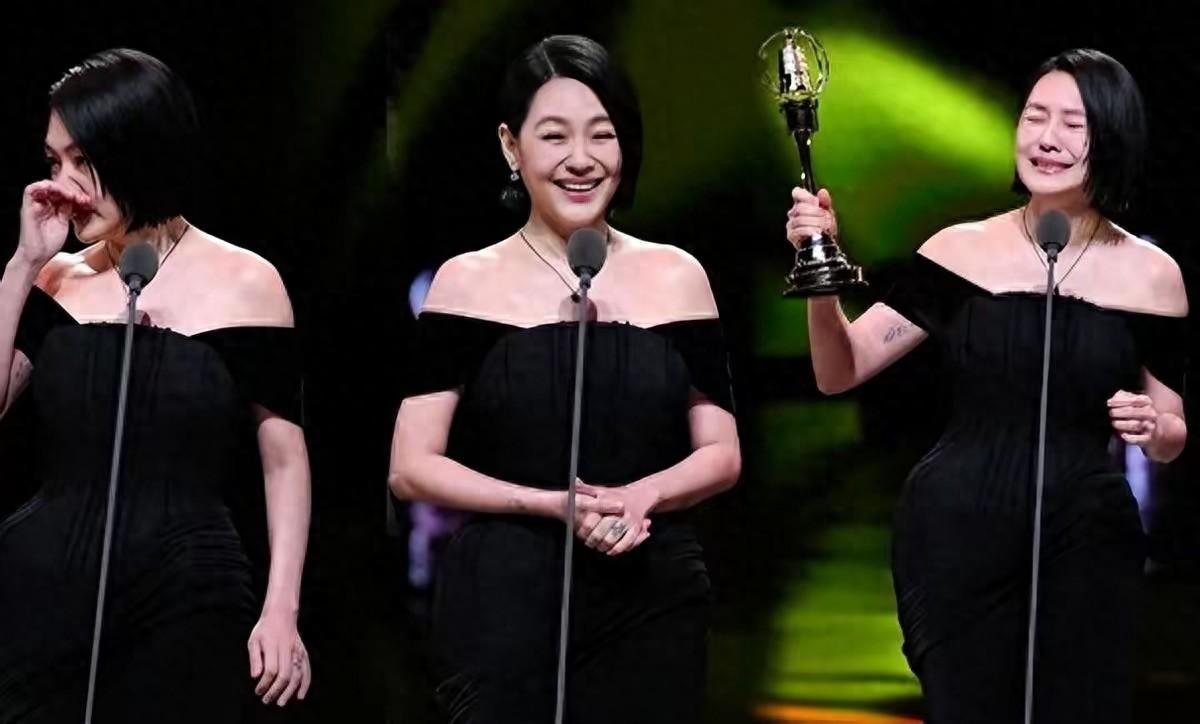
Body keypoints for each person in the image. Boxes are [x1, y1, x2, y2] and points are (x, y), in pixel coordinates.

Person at [786, 49, 1187, 723]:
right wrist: (818, 274)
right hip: (956, 535)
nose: (1047, 139)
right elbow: (840, 370)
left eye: (1073, 124)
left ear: (1113, 137)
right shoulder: (959, 251)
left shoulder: (1154, 276)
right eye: (1034, 117)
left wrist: (1156, 427)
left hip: (1087, 540)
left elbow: (1172, 435)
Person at [389, 34, 741, 723]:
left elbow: (722, 452)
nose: (581, 159)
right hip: (506, 601)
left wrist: (643, 495)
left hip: (653, 596)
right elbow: (411, 466)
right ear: (511, 147)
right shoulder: (465, 282)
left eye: (601, 135)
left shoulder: (679, 276)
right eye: (554, 136)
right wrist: (551, 504)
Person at [0, 49, 313, 722]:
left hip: (187, 595)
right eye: (54, 162)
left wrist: (281, 609)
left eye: (82, 161)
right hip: (43, 593)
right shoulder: (56, 278)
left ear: (137, 151)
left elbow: (284, 459)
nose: (63, 185)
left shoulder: (249, 283)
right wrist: (22, 266)